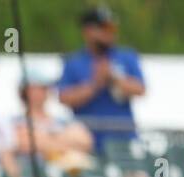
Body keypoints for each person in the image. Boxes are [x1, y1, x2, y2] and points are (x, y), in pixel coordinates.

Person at [56, 4, 145, 151]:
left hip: (124, 140)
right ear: (88, 31)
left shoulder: (126, 56)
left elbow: (141, 89)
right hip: (87, 141)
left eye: (112, 28)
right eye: (104, 28)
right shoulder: (74, 61)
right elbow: (64, 97)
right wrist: (95, 84)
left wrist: (114, 78)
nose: (110, 33)